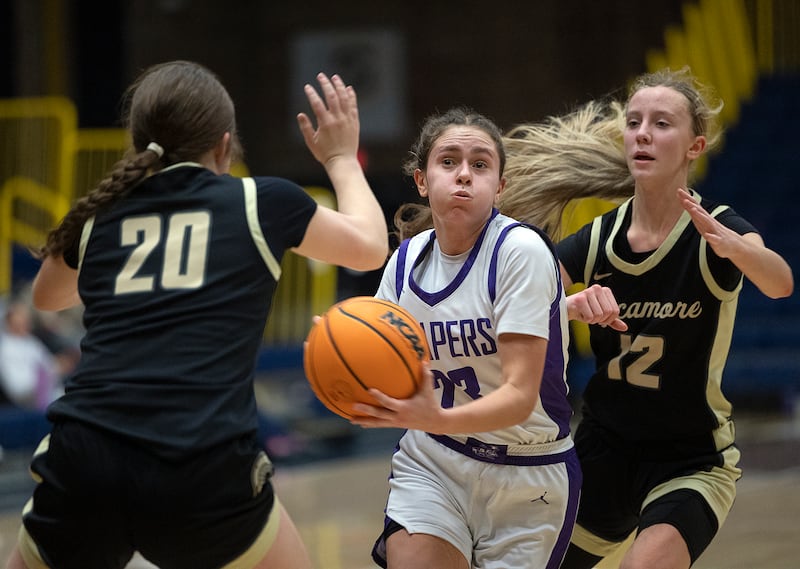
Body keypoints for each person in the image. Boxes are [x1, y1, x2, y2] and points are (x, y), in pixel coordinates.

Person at [5, 61, 388, 569]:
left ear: (139, 145)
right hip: (197, 464)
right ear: (224, 146)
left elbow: (47, 297)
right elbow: (370, 248)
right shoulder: (259, 202)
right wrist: (341, 158)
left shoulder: (104, 217)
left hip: (87, 458)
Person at [499, 67, 794, 569]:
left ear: (694, 146)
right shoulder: (596, 241)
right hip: (602, 451)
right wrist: (565, 305)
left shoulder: (715, 230)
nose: (642, 132)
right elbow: (514, 301)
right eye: (635, 121)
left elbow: (779, 281)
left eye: (661, 123)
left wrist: (737, 248)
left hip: (691, 458)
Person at [346, 107, 619, 569]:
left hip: (527, 475)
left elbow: (518, 396)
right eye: (448, 161)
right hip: (434, 461)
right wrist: (344, 354)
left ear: (500, 186)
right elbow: (381, 357)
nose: (464, 176)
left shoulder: (522, 251)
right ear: (421, 180)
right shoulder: (406, 260)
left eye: (480, 164)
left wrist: (431, 414)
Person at [0, 299, 66, 411]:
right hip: (23, 400)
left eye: (25, 319)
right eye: (19, 318)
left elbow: (50, 365)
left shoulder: (32, 342)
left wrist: (59, 365)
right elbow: (15, 386)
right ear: (10, 321)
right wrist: (39, 381)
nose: (24, 322)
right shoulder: (4, 346)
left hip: (48, 394)